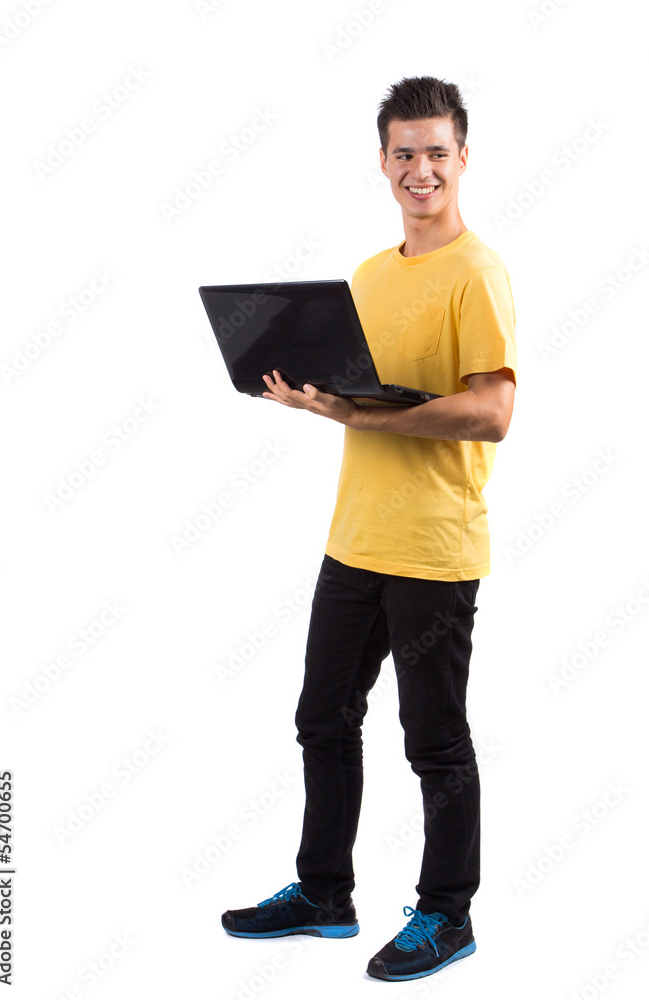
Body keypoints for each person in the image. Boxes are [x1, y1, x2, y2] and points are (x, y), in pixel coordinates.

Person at [221, 74, 517, 983]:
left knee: (432, 740)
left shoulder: (479, 272)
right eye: (403, 153)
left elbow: (493, 411)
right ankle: (324, 893)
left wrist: (379, 418)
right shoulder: (367, 276)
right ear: (382, 163)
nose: (419, 168)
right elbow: (362, 399)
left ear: (461, 158)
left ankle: (447, 914)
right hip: (353, 541)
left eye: (435, 152)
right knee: (321, 718)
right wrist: (316, 397)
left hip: (434, 548)